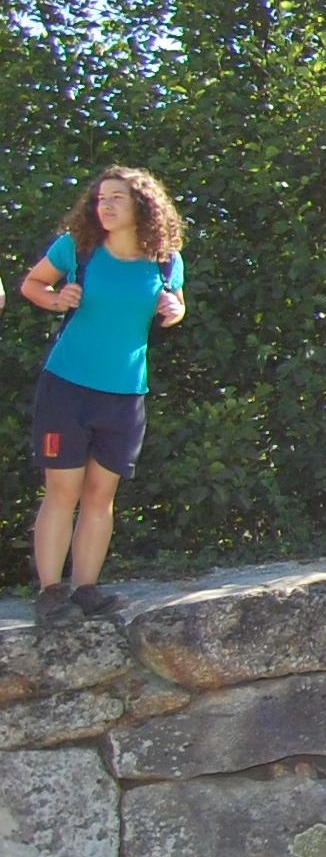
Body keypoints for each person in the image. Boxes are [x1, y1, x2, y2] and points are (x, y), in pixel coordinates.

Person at [14, 166, 184, 621]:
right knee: (62, 491)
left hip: (125, 394)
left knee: (99, 496)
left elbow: (175, 303)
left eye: (116, 199)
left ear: (143, 207)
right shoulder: (78, 248)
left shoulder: (167, 259)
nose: (104, 206)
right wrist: (55, 300)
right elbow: (32, 284)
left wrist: (175, 309)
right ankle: (52, 593)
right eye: (100, 199)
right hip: (67, 386)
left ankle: (86, 589)